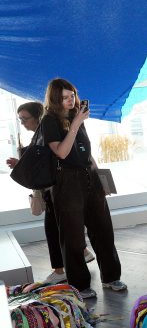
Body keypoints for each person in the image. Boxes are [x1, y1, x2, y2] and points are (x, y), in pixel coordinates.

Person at [40, 78, 125, 299]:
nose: (71, 100)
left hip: (89, 177)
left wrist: (101, 180)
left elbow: (86, 152)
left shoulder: (75, 116)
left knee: (103, 230)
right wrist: (76, 123)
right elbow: (61, 152)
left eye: (73, 95)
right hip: (66, 182)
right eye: (65, 97)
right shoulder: (49, 120)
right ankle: (79, 284)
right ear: (55, 99)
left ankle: (111, 277)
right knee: (73, 237)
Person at [6, 102, 95, 283]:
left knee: (54, 230)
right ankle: (81, 254)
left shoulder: (47, 135)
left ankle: (61, 270)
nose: (23, 123)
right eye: (20, 119)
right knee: (61, 228)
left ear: (37, 117)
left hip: (57, 189)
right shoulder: (42, 135)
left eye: (25, 119)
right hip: (56, 189)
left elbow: (52, 160)